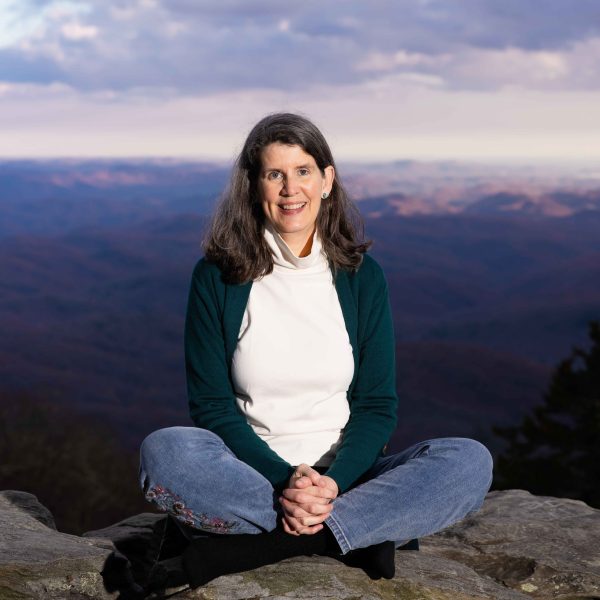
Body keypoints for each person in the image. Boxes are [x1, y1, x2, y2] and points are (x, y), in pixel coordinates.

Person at [139, 112, 493, 591]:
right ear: (253, 186)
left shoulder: (362, 278)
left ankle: (279, 542)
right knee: (165, 451)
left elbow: (375, 406)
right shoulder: (217, 278)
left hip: (352, 478)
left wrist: (332, 484)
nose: (291, 189)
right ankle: (356, 534)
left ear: (327, 181)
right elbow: (213, 408)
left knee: (468, 461)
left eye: (303, 171)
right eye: (274, 174)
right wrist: (286, 482)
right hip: (252, 479)